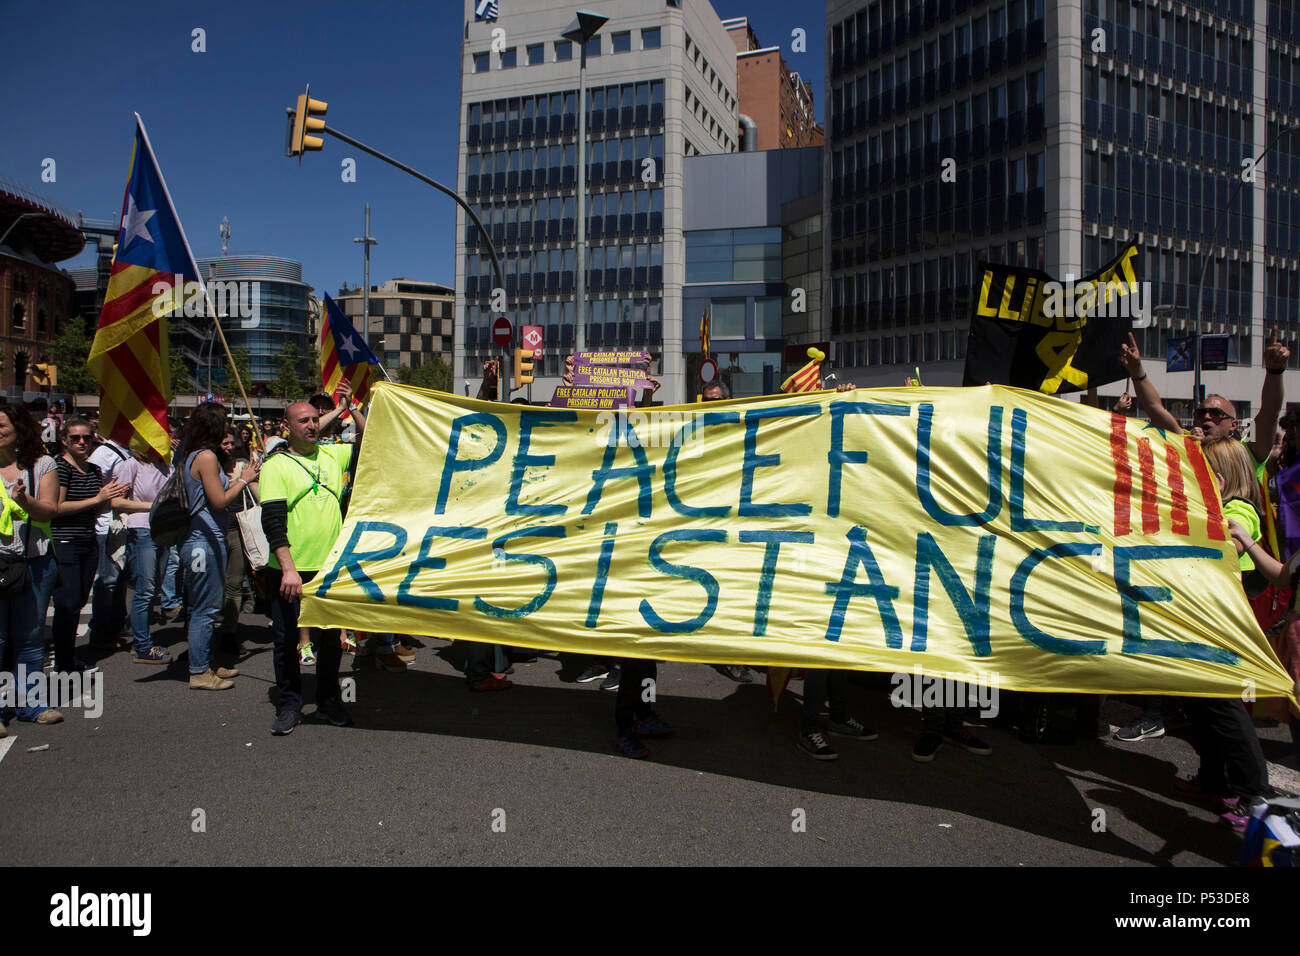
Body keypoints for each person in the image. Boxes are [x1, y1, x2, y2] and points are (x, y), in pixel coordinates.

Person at [1184, 437, 1276, 830]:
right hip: (1206, 618)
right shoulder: (1220, 504)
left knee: (1223, 706)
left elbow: (1226, 552)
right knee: (1202, 705)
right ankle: (1213, 778)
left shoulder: (1238, 509)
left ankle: (1254, 793)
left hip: (1222, 622)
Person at [259, 398, 367, 734]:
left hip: (329, 568)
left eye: (315, 420)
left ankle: (328, 702)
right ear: (287, 427)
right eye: (303, 421)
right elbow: (273, 522)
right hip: (290, 571)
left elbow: (369, 442)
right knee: (287, 640)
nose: (311, 425)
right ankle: (290, 704)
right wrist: (288, 567)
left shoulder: (334, 454)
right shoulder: (275, 466)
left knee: (331, 639)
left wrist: (355, 410)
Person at [180, 403, 260, 690]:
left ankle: (206, 661)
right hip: (203, 541)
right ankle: (199, 670)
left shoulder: (196, 455)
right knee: (204, 609)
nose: (228, 429)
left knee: (208, 605)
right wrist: (243, 480)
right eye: (224, 423)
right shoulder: (206, 457)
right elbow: (220, 500)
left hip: (204, 539)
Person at [0, 402, 62, 727]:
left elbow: (49, 511)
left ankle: (32, 705)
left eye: (1, 425)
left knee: (30, 637)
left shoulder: (41, 464)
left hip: (33, 563)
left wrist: (26, 501)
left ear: (18, 427)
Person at [50, 418, 128, 674]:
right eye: (75, 438)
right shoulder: (60, 468)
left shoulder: (93, 469)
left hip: (89, 539)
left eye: (87, 438)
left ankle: (69, 658)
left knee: (80, 600)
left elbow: (99, 506)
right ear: (64, 440)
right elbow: (57, 508)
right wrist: (98, 498)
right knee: (67, 603)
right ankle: (63, 662)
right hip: (65, 541)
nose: (82, 442)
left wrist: (111, 497)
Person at [111, 445, 175, 664]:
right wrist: (153, 506)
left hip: (164, 530)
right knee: (145, 590)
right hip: (141, 530)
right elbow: (116, 502)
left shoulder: (167, 466)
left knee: (155, 588)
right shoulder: (131, 465)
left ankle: (137, 630)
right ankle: (142, 646)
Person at [85, 432, 132, 651]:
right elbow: (89, 486)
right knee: (108, 579)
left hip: (124, 524)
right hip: (106, 525)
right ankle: (100, 631)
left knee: (120, 578)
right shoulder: (103, 453)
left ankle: (116, 623)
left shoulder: (128, 451)